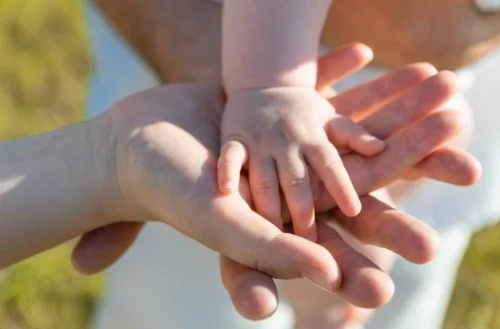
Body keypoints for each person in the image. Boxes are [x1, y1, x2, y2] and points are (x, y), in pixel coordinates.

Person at [83, 1, 481, 328]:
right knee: (196, 293)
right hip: (269, 64)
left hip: (456, 79)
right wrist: (269, 92)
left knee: (407, 268)